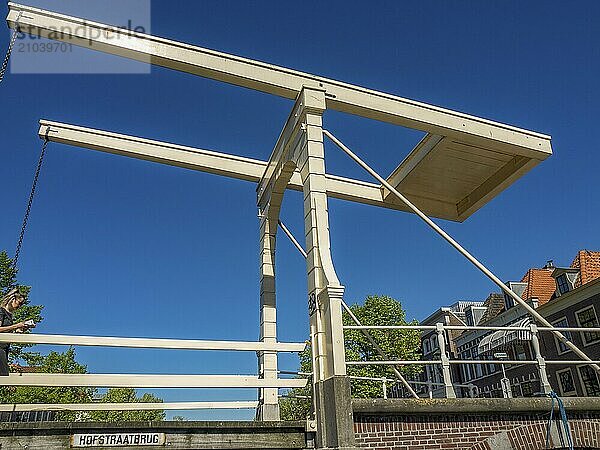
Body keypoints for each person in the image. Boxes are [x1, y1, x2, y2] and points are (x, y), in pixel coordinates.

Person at [0, 288, 35, 376]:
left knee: (4, 375)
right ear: (12, 299)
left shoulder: (9, 315)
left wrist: (20, 330)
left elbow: (7, 331)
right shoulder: (1, 311)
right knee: (4, 375)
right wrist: (16, 325)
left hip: (5, 347)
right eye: (19, 303)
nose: (19, 306)